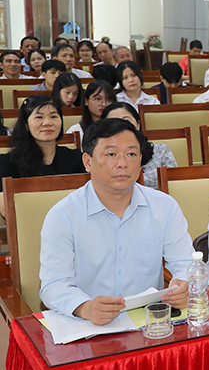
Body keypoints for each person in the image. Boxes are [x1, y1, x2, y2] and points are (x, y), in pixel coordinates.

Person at [37, 118, 191, 322]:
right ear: (87, 162)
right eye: (111, 154)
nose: (122, 163)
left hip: (148, 323)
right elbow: (53, 284)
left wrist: (182, 284)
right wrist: (85, 307)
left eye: (131, 154)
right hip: (88, 325)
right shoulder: (63, 215)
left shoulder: (164, 207)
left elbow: (185, 263)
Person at [0, 95, 86, 218]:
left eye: (54, 116)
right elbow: (6, 210)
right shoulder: (7, 162)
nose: (47, 123)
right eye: (39, 117)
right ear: (26, 124)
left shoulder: (76, 158)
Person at [102, 102, 177, 188]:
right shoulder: (101, 156)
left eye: (127, 121)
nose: (122, 127)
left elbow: (173, 184)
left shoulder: (161, 151)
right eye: (115, 123)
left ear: (138, 124)